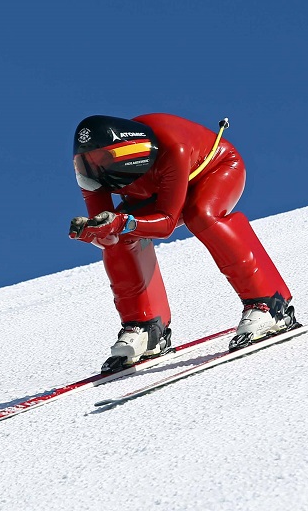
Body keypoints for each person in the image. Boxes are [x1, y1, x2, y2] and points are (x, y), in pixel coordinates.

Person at [68, 113, 296, 372]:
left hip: (214, 168)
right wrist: (96, 233)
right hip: (158, 189)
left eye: (102, 160)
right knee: (121, 239)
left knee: (201, 215)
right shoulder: (91, 175)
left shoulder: (170, 146)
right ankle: (146, 329)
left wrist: (121, 223)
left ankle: (270, 304)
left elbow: (166, 223)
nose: (95, 168)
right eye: (87, 163)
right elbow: (110, 231)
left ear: (128, 151)